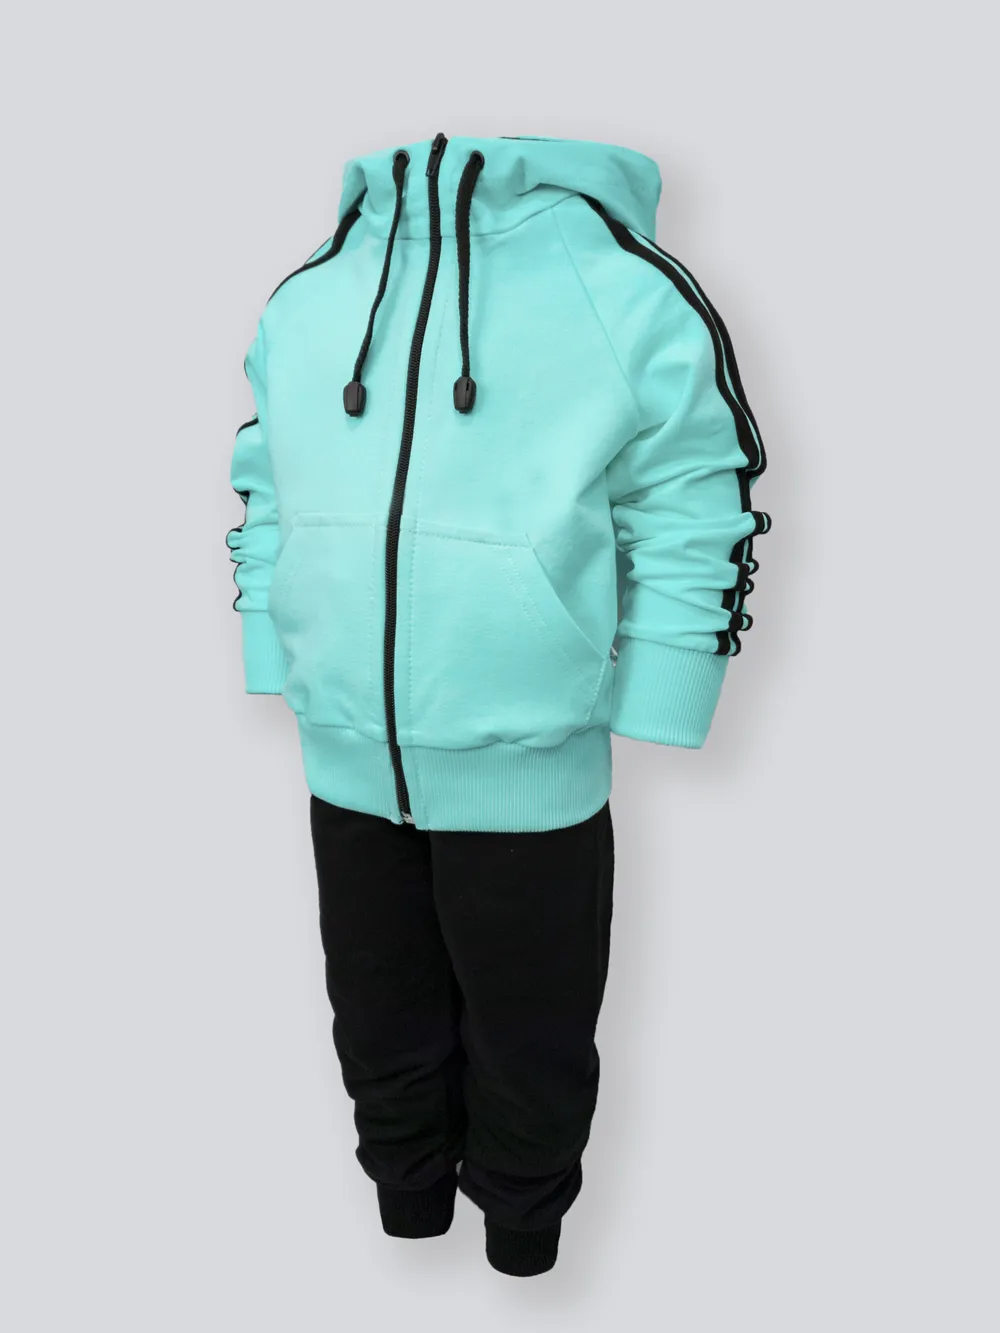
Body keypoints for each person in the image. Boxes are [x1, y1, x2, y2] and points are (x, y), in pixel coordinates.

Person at [227, 132, 769, 1277]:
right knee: (375, 1017)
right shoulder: (313, 292)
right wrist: (273, 649)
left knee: (532, 1037)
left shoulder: (615, 282)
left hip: (532, 758)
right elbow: (266, 478)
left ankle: (524, 1237)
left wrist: (665, 683)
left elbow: (692, 487)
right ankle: (408, 1210)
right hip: (343, 750)